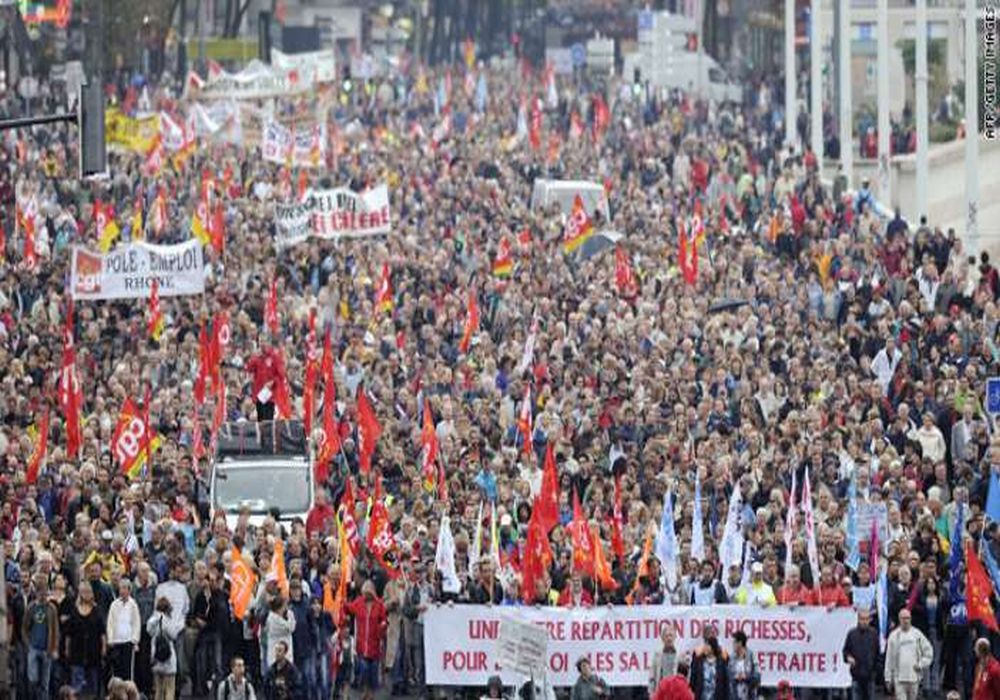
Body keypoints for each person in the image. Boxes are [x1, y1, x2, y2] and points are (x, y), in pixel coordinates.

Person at [345, 580, 387, 700]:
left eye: (369, 592)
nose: (367, 595)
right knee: (364, 670)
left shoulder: (379, 605)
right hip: (362, 644)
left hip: (375, 643)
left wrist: (383, 625)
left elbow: (384, 619)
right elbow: (348, 608)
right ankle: (365, 692)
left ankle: (371, 694)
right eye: (365, 592)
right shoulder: (358, 603)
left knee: (373, 672)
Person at [22, 572, 58, 700]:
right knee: (32, 678)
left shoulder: (51, 608)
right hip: (34, 647)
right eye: (40, 592)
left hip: (46, 649)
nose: (43, 595)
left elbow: (55, 630)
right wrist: (28, 643)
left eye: (45, 592)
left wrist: (54, 648)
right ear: (36, 593)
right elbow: (25, 627)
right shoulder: (31, 607)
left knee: (45, 683)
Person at [885, 608, 934, 699]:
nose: (906, 621)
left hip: (914, 678)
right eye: (903, 618)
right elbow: (889, 658)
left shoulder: (917, 634)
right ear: (899, 619)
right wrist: (888, 678)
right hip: (899, 678)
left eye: (908, 618)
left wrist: (920, 664)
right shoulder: (893, 636)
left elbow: (929, 652)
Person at [146, 596, 184, 700]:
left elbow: (149, 632)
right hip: (168, 658)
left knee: (158, 689)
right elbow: (173, 635)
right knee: (169, 688)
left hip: (156, 657)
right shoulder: (167, 620)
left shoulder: (152, 621)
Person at [106, 579, 141, 682]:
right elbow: (110, 623)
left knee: (128, 671)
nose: (123, 591)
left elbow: (136, 623)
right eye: (121, 588)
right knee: (117, 671)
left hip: (128, 642)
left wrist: (135, 639)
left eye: (125, 588)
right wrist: (111, 639)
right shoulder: (114, 604)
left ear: (129, 590)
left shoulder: (133, 604)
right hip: (116, 642)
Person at [843, 608, 880, 700]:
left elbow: (877, 654)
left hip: (870, 676)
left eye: (866, 619)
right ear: (858, 619)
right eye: (862, 619)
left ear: (869, 620)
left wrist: (875, 670)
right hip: (856, 675)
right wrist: (848, 657)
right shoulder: (852, 634)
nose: (864, 621)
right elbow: (845, 651)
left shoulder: (874, 634)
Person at [690, 625, 730, 700]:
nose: (711, 635)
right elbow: (693, 677)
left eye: (713, 633)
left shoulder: (723, 654)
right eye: (709, 633)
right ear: (704, 636)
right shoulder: (698, 652)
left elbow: (726, 680)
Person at [728, 630, 759, 700]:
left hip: (749, 695)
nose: (733, 645)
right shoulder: (731, 658)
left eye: (734, 642)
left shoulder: (751, 656)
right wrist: (735, 677)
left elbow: (758, 676)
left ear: (740, 643)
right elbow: (728, 677)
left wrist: (746, 677)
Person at [648, 626, 679, 695]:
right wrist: (651, 694)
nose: (669, 638)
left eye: (671, 635)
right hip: (661, 693)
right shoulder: (657, 656)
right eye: (666, 636)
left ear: (675, 637)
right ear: (662, 638)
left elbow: (685, 678)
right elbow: (652, 677)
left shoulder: (680, 656)